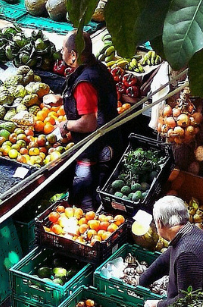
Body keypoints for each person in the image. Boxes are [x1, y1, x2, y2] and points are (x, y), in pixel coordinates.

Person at [60, 32, 119, 208]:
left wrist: (66, 125)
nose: (61, 53)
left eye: (63, 49)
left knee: (86, 199)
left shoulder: (84, 82)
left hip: (94, 149)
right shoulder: (98, 68)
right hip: (111, 140)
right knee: (103, 191)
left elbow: (88, 123)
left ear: (73, 55)